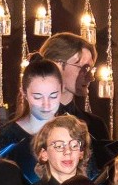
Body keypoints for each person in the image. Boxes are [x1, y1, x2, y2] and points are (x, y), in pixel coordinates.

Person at [34, 33, 111, 170]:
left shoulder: (95, 126)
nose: (91, 77)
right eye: (83, 68)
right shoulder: (27, 124)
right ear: (57, 65)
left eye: (91, 69)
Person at [0, 59, 66, 183]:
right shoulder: (6, 137)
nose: (46, 105)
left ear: (62, 89)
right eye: (38, 97)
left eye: (53, 96)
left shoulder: (73, 133)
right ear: (24, 93)